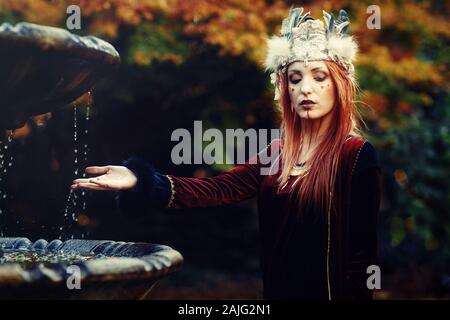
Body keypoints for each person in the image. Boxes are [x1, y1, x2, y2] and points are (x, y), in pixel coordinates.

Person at [71, 7, 381, 300]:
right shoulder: (276, 155)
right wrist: (139, 180)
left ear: (338, 85)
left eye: (319, 76)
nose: (305, 89)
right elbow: (217, 189)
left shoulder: (355, 155)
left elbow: (361, 258)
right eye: (295, 79)